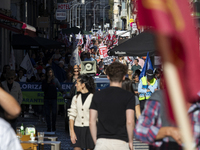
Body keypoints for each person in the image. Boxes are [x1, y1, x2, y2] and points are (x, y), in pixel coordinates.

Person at [89, 62, 135, 150]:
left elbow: (92, 121)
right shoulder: (129, 96)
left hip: (102, 141)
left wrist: (96, 141)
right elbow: (130, 121)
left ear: (108, 77)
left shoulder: (97, 95)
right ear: (123, 77)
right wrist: (131, 141)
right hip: (121, 142)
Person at [134, 76, 182, 150]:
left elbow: (154, 89)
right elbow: (140, 130)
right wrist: (169, 131)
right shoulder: (158, 98)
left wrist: (149, 86)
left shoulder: (195, 103)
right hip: (146, 100)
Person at [68, 74, 95, 150]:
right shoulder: (75, 98)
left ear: (83, 85)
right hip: (78, 129)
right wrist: (72, 132)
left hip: (90, 129)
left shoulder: (93, 97)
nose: (76, 85)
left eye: (77, 83)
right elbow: (71, 115)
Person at [42, 67, 65, 131]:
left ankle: (53, 126)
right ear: (47, 74)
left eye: (51, 72)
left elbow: (59, 87)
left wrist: (63, 91)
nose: (50, 74)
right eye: (48, 73)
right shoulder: (44, 81)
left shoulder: (55, 80)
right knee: (47, 114)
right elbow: (43, 89)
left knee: (54, 113)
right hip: (47, 99)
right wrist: (48, 82)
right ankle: (49, 127)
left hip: (54, 99)